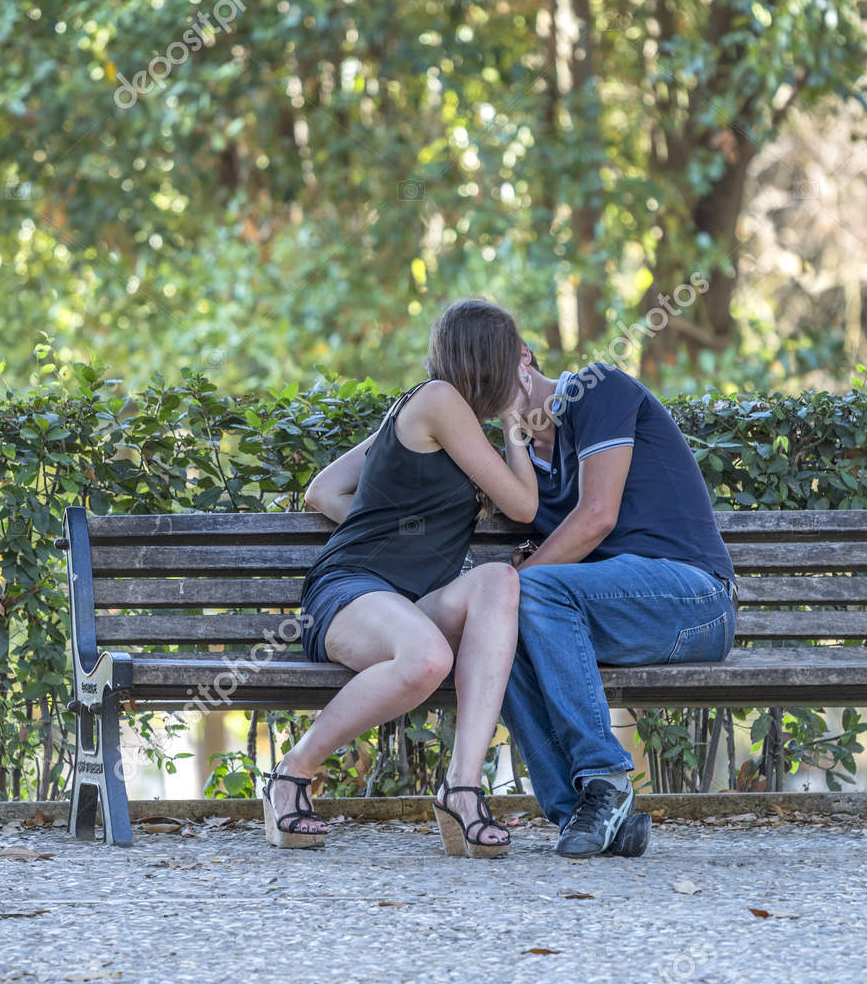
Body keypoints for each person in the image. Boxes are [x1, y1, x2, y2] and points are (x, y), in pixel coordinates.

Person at [264, 300, 538, 857]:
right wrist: (515, 423)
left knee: (498, 584)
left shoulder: (416, 412)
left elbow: (324, 491)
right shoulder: (438, 400)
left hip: (409, 605)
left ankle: (462, 790)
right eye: (514, 360)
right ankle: (291, 774)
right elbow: (524, 506)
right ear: (491, 361)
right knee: (428, 658)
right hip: (349, 591)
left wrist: (399, 535)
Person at [502, 352, 737, 858]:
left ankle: (605, 775)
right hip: (616, 613)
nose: (480, 385)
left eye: (487, 368)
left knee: (531, 590)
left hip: (696, 599)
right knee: (495, 630)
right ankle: (585, 816)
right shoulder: (521, 470)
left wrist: (521, 573)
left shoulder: (595, 388)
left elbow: (596, 518)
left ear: (523, 357)